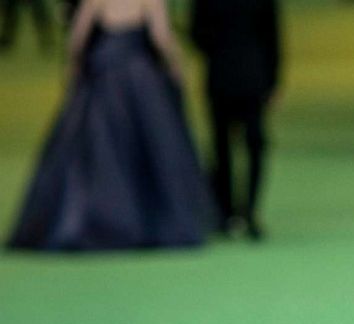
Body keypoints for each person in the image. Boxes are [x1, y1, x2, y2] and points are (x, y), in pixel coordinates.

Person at [6, 0, 211, 251]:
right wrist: (175, 67)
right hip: (140, 80)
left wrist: (74, 71)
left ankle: (98, 220)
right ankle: (145, 221)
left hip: (102, 76)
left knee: (96, 153)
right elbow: (162, 37)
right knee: (151, 151)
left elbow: (77, 40)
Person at [191, 0, 280, 240]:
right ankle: (249, 211)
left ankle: (227, 213)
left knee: (222, 147)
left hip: (221, 75)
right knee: (254, 145)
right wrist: (273, 80)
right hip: (253, 76)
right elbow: (272, 36)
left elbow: (197, 36)